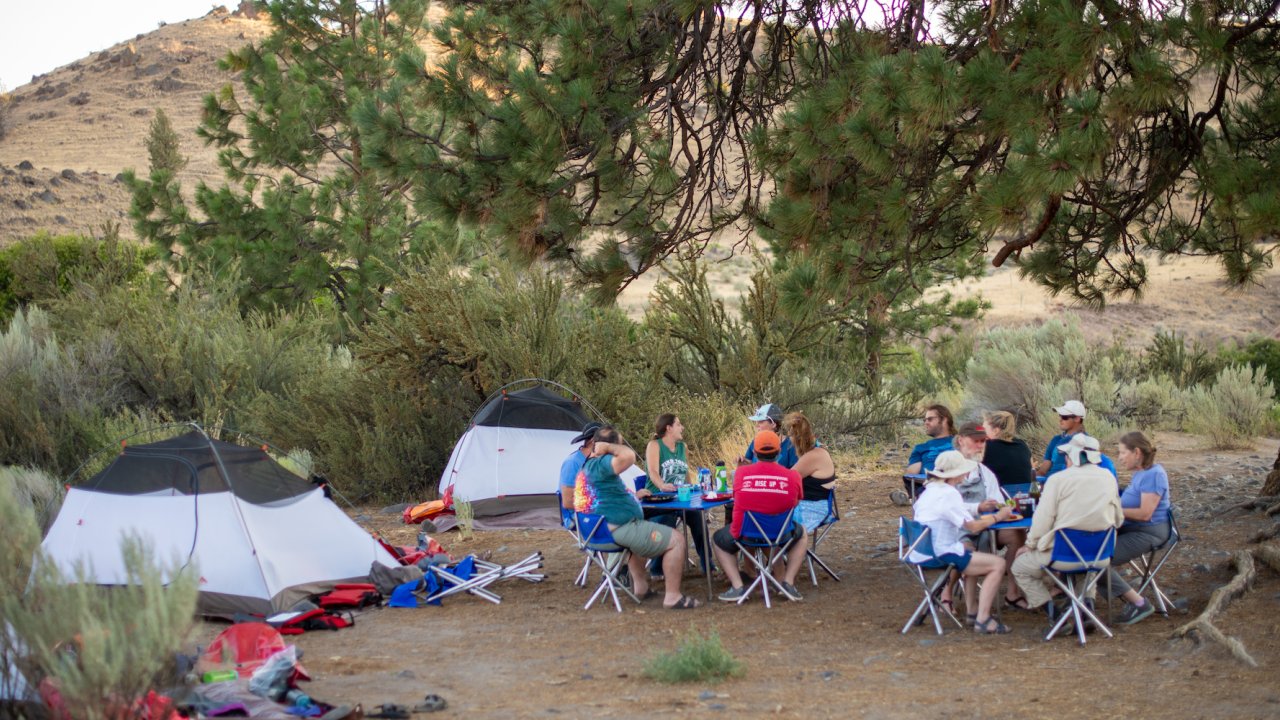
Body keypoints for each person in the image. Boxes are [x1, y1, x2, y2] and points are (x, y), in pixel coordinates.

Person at [574, 426, 701, 609]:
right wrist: (610, 448)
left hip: (600, 531)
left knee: (641, 534)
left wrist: (633, 496)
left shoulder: (589, 467)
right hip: (615, 530)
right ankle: (673, 597)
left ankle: (641, 587)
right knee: (677, 540)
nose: (621, 449)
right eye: (619, 446)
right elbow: (629, 456)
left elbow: (606, 497)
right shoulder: (601, 463)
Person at [1011, 433, 1124, 623]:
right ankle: (1087, 611)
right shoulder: (1108, 478)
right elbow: (1118, 519)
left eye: (1066, 455)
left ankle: (1055, 617)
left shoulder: (1058, 479)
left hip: (1064, 555)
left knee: (1020, 567)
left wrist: (1029, 545)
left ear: (1072, 456)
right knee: (1086, 568)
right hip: (1100, 554)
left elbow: (1042, 519)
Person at [910, 451, 1019, 634]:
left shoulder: (929, 491)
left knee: (970, 550)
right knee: (997, 564)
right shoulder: (949, 494)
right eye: (962, 471)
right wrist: (999, 516)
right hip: (942, 553)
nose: (965, 475)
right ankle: (983, 619)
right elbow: (973, 527)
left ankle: (973, 611)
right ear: (955, 474)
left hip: (922, 551)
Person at [713, 430, 809, 602]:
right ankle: (788, 582)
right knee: (802, 534)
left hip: (745, 534)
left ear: (755, 453)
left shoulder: (742, 474)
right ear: (779, 452)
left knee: (718, 539)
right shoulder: (793, 476)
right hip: (781, 534)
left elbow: (737, 498)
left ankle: (737, 586)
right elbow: (796, 502)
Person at [1108, 431, 1173, 625]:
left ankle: (1138, 603)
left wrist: (1114, 509)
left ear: (1137, 452)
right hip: (1133, 529)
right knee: (1090, 550)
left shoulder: (1154, 475)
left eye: (1122, 453)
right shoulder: (1141, 473)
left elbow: (1145, 514)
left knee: (1097, 560)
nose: (1119, 458)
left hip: (1149, 532)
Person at [643, 413, 713, 574]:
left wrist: (692, 487)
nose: (682, 428)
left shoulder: (683, 447)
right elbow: (652, 471)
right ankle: (657, 568)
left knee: (698, 517)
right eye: (679, 424)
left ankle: (708, 564)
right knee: (667, 518)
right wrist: (662, 485)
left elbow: (685, 473)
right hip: (658, 500)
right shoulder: (655, 445)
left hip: (680, 498)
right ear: (668, 428)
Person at [893, 404, 955, 506]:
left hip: (959, 485)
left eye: (930, 419)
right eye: (925, 420)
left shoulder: (961, 442)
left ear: (944, 420)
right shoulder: (921, 448)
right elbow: (912, 474)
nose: (926, 423)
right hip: (930, 489)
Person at [1037, 400, 1117, 478]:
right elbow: (1043, 471)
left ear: (1077, 419)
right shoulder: (1055, 440)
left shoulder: (1087, 443)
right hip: (1049, 483)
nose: (1060, 419)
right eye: (1060, 416)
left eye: (1065, 417)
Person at [786, 412, 837, 533]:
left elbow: (786, 479)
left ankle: (779, 550)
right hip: (810, 504)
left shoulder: (813, 456)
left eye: (790, 436)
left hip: (815, 508)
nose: (789, 439)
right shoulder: (815, 452)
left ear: (796, 437)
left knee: (768, 519)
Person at [559, 422, 602, 527]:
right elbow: (568, 502)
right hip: (577, 515)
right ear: (593, 442)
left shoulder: (599, 462)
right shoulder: (573, 463)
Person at [981, 411, 1035, 488]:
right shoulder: (1022, 445)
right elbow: (1031, 468)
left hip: (1003, 494)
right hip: (1027, 492)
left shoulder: (986, 447)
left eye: (984, 429)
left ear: (996, 431)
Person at [739, 403, 799, 468]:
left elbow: (794, 472)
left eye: (761, 422)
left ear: (773, 424)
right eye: (757, 422)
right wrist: (743, 463)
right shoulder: (756, 441)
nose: (757, 425)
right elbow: (749, 462)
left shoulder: (790, 445)